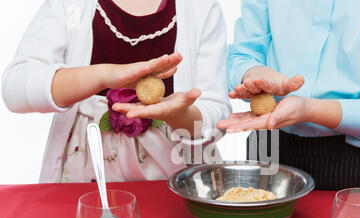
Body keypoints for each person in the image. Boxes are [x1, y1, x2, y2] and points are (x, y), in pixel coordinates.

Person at [219, 0, 360, 190]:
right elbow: (244, 53)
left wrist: (309, 110)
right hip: (266, 148)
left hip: (354, 165)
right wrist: (254, 75)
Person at [2, 0, 231, 183]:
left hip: (177, 181)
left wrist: (173, 113)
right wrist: (102, 75)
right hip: (82, 177)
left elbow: (215, 115)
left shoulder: (202, 8)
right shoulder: (68, 5)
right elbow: (15, 88)